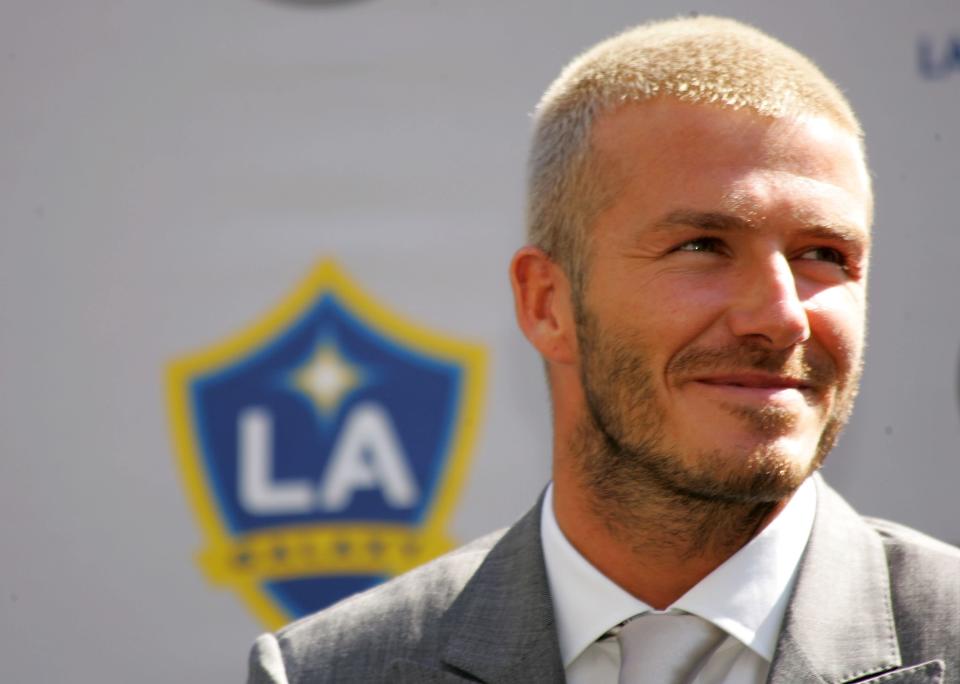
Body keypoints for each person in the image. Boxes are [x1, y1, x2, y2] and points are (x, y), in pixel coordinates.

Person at [248, 16, 959, 684]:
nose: (780, 317)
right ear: (546, 303)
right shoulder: (330, 671)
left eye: (824, 256)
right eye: (703, 246)